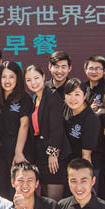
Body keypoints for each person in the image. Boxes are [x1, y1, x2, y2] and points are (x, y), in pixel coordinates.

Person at [25, 64, 70, 200]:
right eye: (28, 80)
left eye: (36, 78)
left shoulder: (52, 95)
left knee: (54, 198)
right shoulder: (34, 99)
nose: (33, 83)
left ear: (44, 77)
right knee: (45, 197)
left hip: (54, 155)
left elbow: (57, 127)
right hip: (40, 154)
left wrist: (53, 153)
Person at [0, 61, 32, 198]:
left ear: (18, 79)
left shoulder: (25, 99)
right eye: (4, 77)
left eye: (11, 77)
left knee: (17, 191)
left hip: (18, 154)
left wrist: (18, 152)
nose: (7, 81)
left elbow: (24, 125)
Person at [63, 78, 100, 164]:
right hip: (65, 160)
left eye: (77, 94)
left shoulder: (91, 120)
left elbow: (86, 155)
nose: (73, 99)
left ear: (84, 96)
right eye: (69, 94)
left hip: (82, 163)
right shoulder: (65, 107)